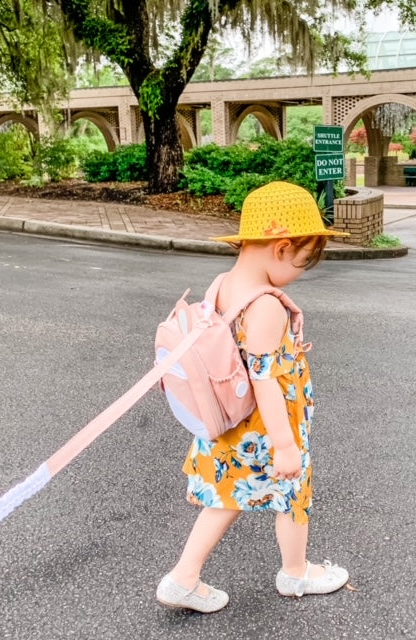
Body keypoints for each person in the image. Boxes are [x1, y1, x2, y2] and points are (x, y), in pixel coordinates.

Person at [156, 181, 350, 613]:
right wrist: (285, 446)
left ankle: (184, 577)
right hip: (266, 427)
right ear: (281, 248)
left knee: (227, 498)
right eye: (301, 262)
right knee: (293, 493)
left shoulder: (225, 282)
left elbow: (239, 348)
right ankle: (296, 572)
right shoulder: (267, 307)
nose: (301, 272)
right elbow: (263, 379)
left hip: (234, 426)